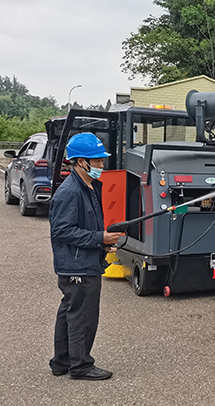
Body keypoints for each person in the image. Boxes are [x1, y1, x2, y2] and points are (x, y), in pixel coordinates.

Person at [48, 132, 124, 380]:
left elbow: (84, 227)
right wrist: (98, 239)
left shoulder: (88, 187)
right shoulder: (70, 191)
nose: (101, 165)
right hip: (77, 266)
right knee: (83, 316)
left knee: (70, 312)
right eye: (97, 161)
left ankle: (62, 362)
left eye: (102, 160)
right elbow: (61, 231)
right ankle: (80, 366)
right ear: (80, 162)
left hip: (82, 261)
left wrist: (102, 246)